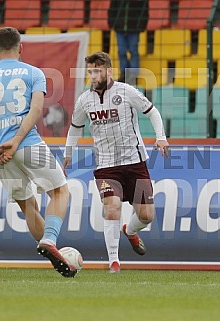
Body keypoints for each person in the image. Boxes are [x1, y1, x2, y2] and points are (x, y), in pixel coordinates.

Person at [0, 27, 76, 278]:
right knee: (60, 190)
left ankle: (51, 250)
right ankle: (50, 240)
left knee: (29, 207)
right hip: (27, 143)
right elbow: (36, 109)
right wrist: (17, 140)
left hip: (0, 155)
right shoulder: (33, 73)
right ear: (21, 47)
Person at [62, 52, 169, 273]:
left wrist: (160, 137)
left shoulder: (126, 91)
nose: (93, 75)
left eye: (97, 71)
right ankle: (114, 262)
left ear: (109, 71)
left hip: (135, 161)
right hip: (106, 165)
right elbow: (75, 127)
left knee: (146, 216)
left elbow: (152, 112)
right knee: (112, 207)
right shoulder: (84, 100)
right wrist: (68, 153)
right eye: (90, 71)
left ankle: (129, 231)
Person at [108, 0, 149, 85]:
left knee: (133, 51)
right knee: (121, 51)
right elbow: (112, 9)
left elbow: (144, 11)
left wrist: (141, 26)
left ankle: (133, 75)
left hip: (134, 29)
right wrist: (112, 23)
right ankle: (124, 73)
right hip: (120, 28)